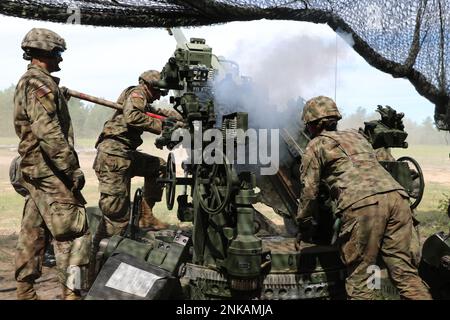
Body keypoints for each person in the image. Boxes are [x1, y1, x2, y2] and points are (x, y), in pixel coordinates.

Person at [296, 95, 432, 300]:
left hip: (363, 205)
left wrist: (304, 224)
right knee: (404, 273)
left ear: (312, 125)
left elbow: (309, 192)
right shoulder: (356, 136)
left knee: (360, 279)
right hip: (397, 198)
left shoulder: (316, 145)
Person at [13, 28, 91, 300]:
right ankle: (72, 294)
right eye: (57, 53)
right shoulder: (38, 84)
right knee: (75, 233)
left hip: (36, 172)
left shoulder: (38, 83)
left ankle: (25, 292)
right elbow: (48, 132)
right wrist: (71, 168)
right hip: (50, 171)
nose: (60, 59)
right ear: (43, 54)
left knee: (33, 231)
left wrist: (57, 95)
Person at [93, 70, 179, 239]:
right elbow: (133, 117)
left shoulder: (142, 99)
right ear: (150, 86)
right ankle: (102, 250)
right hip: (113, 155)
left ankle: (146, 217)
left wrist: (177, 117)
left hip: (126, 154)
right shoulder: (137, 93)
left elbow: (157, 112)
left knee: (159, 166)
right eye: (159, 92)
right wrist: (163, 127)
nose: (158, 96)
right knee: (117, 214)